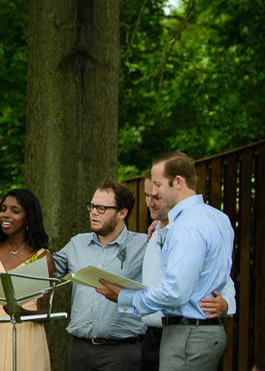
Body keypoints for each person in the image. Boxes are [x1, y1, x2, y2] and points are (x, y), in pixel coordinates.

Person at [97, 152, 234, 371]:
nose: (153, 193)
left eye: (158, 186)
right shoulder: (217, 218)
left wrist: (125, 297)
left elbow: (175, 292)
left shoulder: (186, 226)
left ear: (178, 182)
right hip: (199, 333)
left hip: (187, 334)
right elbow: (217, 271)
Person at [138, 172, 233, 371]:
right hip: (151, 336)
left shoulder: (189, 228)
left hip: (183, 335)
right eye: (147, 196)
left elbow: (221, 274)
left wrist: (226, 304)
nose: (150, 203)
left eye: (155, 197)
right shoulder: (154, 232)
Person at [52, 180, 147, 371]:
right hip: (79, 350)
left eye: (102, 208)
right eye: (92, 206)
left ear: (122, 213)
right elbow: (45, 270)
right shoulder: (77, 244)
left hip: (122, 352)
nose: (93, 212)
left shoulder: (144, 246)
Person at [0, 188, 54, 371]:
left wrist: (22, 313)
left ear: (28, 218)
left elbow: (44, 313)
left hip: (28, 335)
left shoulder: (42, 258)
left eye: (15, 211)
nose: (6, 215)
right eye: (3, 209)